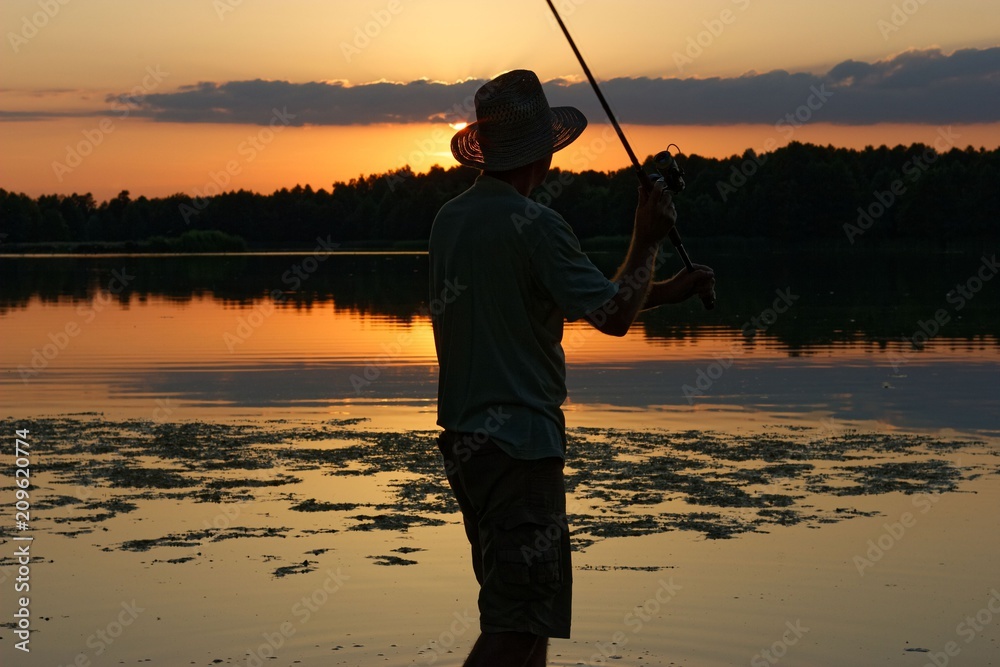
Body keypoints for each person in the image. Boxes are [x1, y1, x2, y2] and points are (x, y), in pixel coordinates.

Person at [428, 69, 715, 666]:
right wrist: (648, 236)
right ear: (544, 152)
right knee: (517, 622)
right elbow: (612, 315)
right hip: (520, 448)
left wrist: (666, 291)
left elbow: (572, 295)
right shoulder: (538, 226)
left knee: (528, 617)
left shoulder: (451, 221)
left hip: (466, 446)